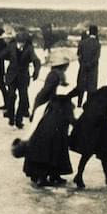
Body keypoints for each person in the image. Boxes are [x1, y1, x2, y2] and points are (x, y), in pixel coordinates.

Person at [22, 52, 75, 187]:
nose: (68, 66)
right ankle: (43, 174)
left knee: (55, 143)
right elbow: (44, 93)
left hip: (58, 111)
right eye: (66, 64)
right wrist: (36, 109)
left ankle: (52, 173)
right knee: (51, 143)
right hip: (53, 111)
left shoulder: (57, 74)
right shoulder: (54, 75)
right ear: (63, 65)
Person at [69, 78, 107, 188]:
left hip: (88, 121)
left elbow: (86, 104)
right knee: (92, 151)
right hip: (98, 125)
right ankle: (79, 176)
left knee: (99, 151)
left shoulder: (102, 90)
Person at [1, 31, 41, 129]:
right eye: (19, 42)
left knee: (23, 98)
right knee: (11, 96)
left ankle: (19, 120)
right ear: (16, 41)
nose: (21, 44)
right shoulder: (11, 47)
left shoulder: (29, 49)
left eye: (23, 42)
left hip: (23, 77)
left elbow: (36, 61)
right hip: (11, 77)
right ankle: (11, 117)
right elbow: (0, 57)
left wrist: (36, 72)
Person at [73, 25, 101, 108]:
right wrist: (90, 64)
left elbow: (79, 55)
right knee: (91, 88)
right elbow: (96, 57)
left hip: (83, 67)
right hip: (93, 69)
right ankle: (88, 104)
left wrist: (83, 63)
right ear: (96, 32)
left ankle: (79, 103)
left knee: (81, 86)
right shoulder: (97, 44)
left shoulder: (82, 43)